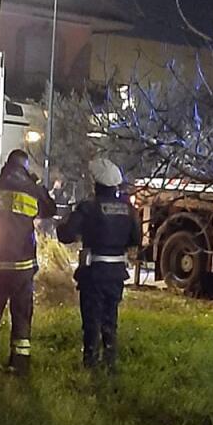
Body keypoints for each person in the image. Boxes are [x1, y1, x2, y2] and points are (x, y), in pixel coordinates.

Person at [0, 147, 56, 377]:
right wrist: (38, 185)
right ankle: (18, 362)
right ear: (25, 167)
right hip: (21, 264)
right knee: (21, 311)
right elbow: (50, 210)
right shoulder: (30, 188)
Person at [57, 157, 143, 371]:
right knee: (110, 318)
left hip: (93, 273)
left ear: (96, 184)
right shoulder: (127, 209)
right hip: (116, 273)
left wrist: (67, 220)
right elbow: (136, 239)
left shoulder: (88, 207)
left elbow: (66, 235)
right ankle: (110, 362)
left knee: (91, 320)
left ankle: (91, 364)